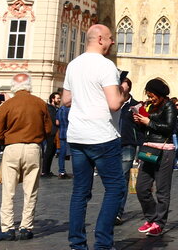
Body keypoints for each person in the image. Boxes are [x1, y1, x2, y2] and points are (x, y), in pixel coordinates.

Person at [63, 24, 126, 250]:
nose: (111, 43)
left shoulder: (73, 64)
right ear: (100, 39)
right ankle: (102, 242)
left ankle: (77, 244)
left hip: (77, 135)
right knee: (115, 188)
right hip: (101, 135)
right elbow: (114, 103)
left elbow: (66, 100)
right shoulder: (106, 66)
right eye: (109, 39)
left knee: (80, 191)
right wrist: (124, 91)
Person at [0, 79, 52, 240]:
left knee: (8, 191)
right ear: (29, 87)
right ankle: (26, 227)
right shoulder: (40, 103)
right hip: (33, 147)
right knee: (31, 190)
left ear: (14, 87)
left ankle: (7, 228)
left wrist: (3, 140)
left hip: (12, 147)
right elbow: (48, 128)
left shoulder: (8, 104)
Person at [133, 78, 177, 237]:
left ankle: (159, 222)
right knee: (141, 188)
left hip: (165, 150)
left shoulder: (169, 105)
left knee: (162, 190)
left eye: (152, 95)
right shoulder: (150, 106)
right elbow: (146, 129)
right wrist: (139, 121)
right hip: (149, 149)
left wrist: (148, 121)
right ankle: (151, 218)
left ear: (159, 93)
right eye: (149, 95)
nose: (150, 98)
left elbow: (169, 128)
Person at [117, 78, 141, 223]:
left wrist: (140, 148)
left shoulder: (135, 105)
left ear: (129, 89)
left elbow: (140, 128)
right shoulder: (113, 103)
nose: (121, 91)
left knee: (122, 178)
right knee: (113, 179)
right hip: (112, 144)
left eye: (124, 89)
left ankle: (118, 211)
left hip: (128, 145)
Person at [41, 92, 61, 176]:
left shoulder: (56, 108)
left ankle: (47, 170)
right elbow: (53, 120)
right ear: (53, 99)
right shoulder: (50, 108)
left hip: (54, 132)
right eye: (58, 98)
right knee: (48, 152)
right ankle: (44, 171)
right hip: (51, 132)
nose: (59, 100)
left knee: (52, 152)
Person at [56, 97, 72, 178]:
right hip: (71, 133)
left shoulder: (60, 110)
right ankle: (76, 171)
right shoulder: (70, 109)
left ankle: (61, 171)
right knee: (74, 153)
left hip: (62, 133)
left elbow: (57, 122)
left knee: (62, 154)